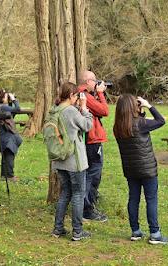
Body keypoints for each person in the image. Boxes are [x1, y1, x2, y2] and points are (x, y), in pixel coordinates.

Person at [113, 94, 168, 245]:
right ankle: (155, 234)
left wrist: (141, 112)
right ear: (133, 107)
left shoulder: (118, 127)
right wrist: (148, 105)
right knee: (151, 199)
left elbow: (137, 124)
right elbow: (161, 121)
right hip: (147, 169)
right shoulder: (141, 124)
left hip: (131, 169)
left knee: (133, 198)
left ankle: (135, 232)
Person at [51, 82, 93, 241]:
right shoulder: (70, 111)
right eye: (76, 95)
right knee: (77, 194)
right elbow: (87, 125)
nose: (77, 98)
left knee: (65, 193)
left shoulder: (54, 110)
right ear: (71, 96)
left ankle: (58, 228)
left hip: (59, 159)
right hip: (74, 161)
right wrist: (84, 108)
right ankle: (77, 231)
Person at [77, 70, 109, 222]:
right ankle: (87, 209)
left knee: (89, 174)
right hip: (92, 140)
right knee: (93, 175)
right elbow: (104, 110)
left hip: (88, 139)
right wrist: (101, 94)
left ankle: (86, 206)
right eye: (94, 81)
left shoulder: (84, 95)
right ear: (87, 81)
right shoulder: (85, 96)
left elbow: (98, 113)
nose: (96, 83)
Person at [0, 89, 23, 182]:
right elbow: (18, 109)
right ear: (3, 98)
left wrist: (10, 102)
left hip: (2, 135)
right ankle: (10, 176)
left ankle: (4, 175)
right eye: (6, 96)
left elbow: (11, 115)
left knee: (5, 155)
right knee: (9, 154)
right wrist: (14, 100)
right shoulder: (4, 107)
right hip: (7, 136)